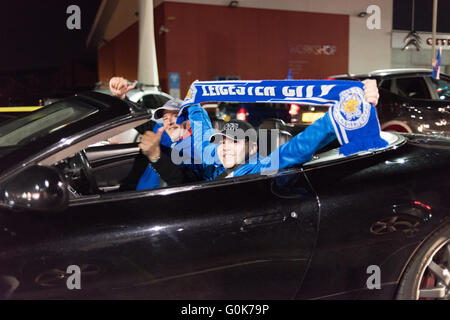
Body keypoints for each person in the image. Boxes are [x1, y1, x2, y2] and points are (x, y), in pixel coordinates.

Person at [139, 80, 381, 182]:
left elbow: (296, 148)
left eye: (234, 142)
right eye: (222, 142)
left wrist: (351, 105)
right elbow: (202, 135)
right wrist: (194, 99)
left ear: (252, 147)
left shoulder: (257, 169)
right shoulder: (211, 164)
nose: (225, 147)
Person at [109, 77, 217, 189]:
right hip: (133, 195)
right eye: (165, 118)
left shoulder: (197, 148)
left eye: (175, 116)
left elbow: (186, 184)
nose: (169, 122)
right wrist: (121, 98)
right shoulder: (163, 134)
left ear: (188, 123)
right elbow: (139, 119)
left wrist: (156, 156)